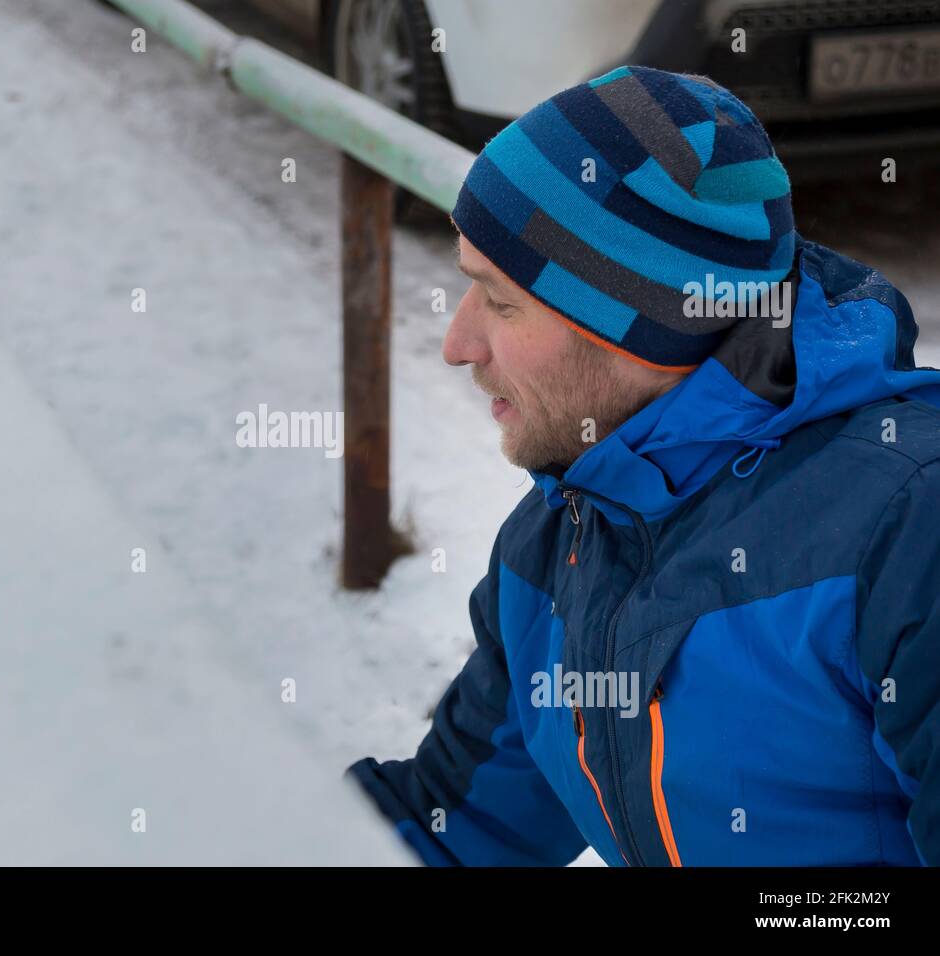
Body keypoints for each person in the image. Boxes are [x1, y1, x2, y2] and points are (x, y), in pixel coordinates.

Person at [346, 65, 940, 866]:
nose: (457, 345)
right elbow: (456, 826)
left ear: (643, 334)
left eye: (502, 302)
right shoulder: (560, 540)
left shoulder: (909, 531)